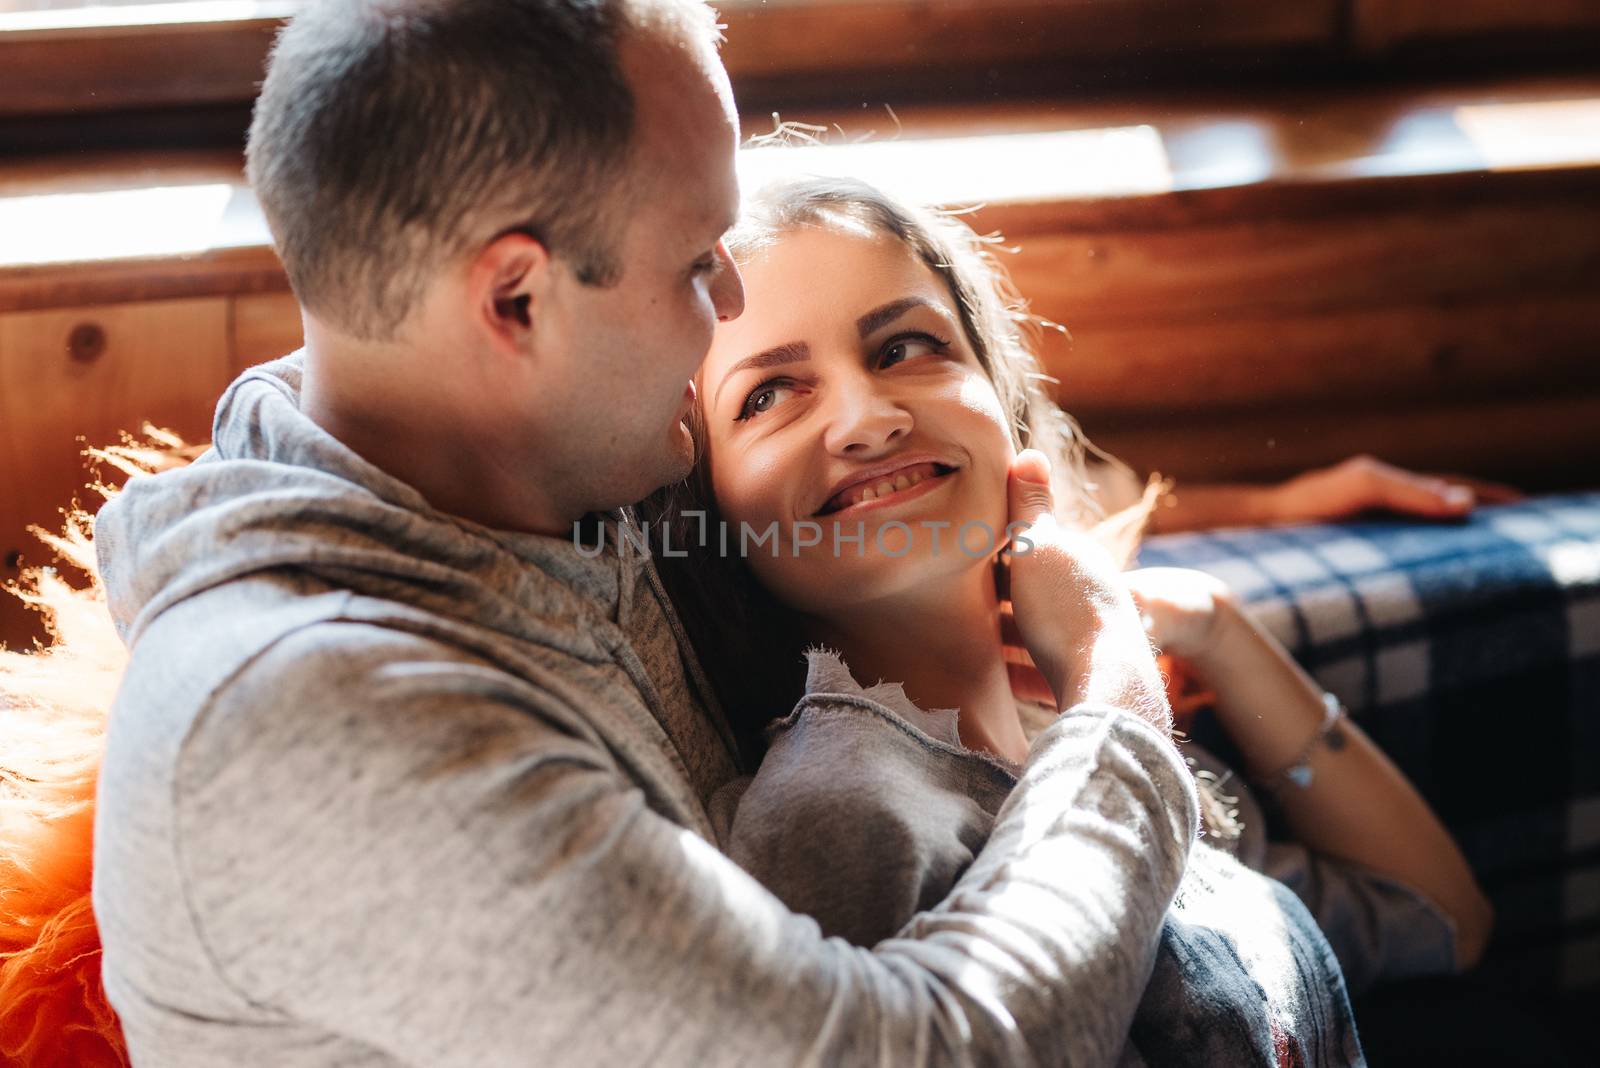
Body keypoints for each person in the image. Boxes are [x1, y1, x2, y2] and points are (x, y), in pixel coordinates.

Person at [85, 1, 1202, 1064]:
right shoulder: (333, 731)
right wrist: (1118, 697)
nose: (726, 299)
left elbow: (898, 466)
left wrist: (1207, 514)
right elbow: (922, 1054)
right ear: (515, 300)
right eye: (694, 259)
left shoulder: (503, 449)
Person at [640, 176, 1496, 1063]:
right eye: (769, 395)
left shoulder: (1087, 727)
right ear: (716, 515)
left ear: (1002, 408)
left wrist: (1214, 624)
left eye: (904, 348)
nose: (867, 418)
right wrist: (1107, 660)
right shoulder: (835, 813)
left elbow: (1441, 920)